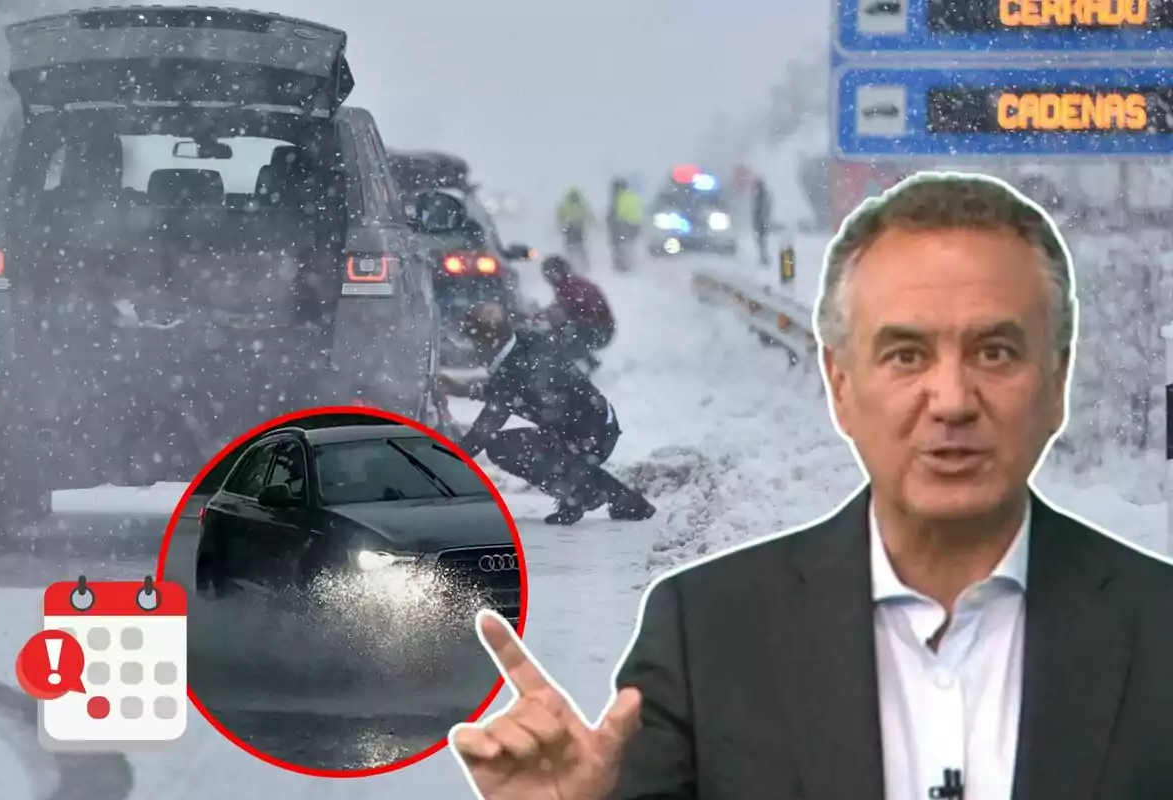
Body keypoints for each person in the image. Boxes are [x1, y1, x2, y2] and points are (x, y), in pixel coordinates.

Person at [450, 172, 1173, 799]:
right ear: (839, 384)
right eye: (906, 353)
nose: (952, 399)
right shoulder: (704, 636)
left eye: (994, 350)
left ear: (1057, 383)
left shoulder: (1159, 634)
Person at [439, 302, 654, 526]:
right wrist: (465, 390)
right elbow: (516, 394)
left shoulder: (513, 373)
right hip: (595, 423)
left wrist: (441, 466)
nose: (474, 350)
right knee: (550, 453)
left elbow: (482, 432)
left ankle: (582, 494)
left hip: (591, 436)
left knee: (502, 448)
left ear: (485, 342)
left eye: (475, 343)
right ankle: (618, 499)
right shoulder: (524, 341)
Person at [534, 254, 615, 373]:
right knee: (561, 333)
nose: (549, 281)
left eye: (549, 276)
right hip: (600, 328)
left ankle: (577, 371)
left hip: (600, 330)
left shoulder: (572, 286)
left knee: (562, 338)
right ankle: (587, 363)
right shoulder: (568, 285)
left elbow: (572, 310)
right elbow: (563, 309)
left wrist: (553, 317)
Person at [607, 177, 643, 272]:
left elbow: (615, 213)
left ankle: (622, 265)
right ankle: (631, 264)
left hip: (622, 225)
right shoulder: (633, 195)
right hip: (635, 225)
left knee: (620, 246)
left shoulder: (619, 197)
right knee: (630, 245)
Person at [556, 186, 594, 269]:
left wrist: (560, 227)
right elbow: (588, 216)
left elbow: (559, 217)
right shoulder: (581, 205)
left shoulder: (565, 205)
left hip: (570, 228)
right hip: (576, 228)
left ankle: (574, 265)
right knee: (579, 248)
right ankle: (583, 266)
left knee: (572, 249)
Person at [752, 176, 773, 266]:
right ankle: (763, 257)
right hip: (761, 221)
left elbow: (762, 209)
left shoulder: (761, 195)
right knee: (761, 241)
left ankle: (764, 258)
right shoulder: (761, 195)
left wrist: (763, 221)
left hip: (762, 222)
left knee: (761, 241)